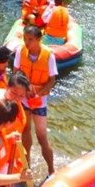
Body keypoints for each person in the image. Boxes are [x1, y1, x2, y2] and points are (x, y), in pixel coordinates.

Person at [14, 24, 57, 177]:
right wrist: (24, 91)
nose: (27, 42)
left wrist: (41, 93)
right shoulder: (21, 51)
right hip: (24, 100)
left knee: (41, 136)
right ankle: (27, 166)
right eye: (25, 38)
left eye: (30, 39)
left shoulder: (49, 56)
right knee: (25, 130)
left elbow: (52, 80)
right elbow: (16, 73)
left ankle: (51, 170)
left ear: (39, 39)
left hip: (40, 102)